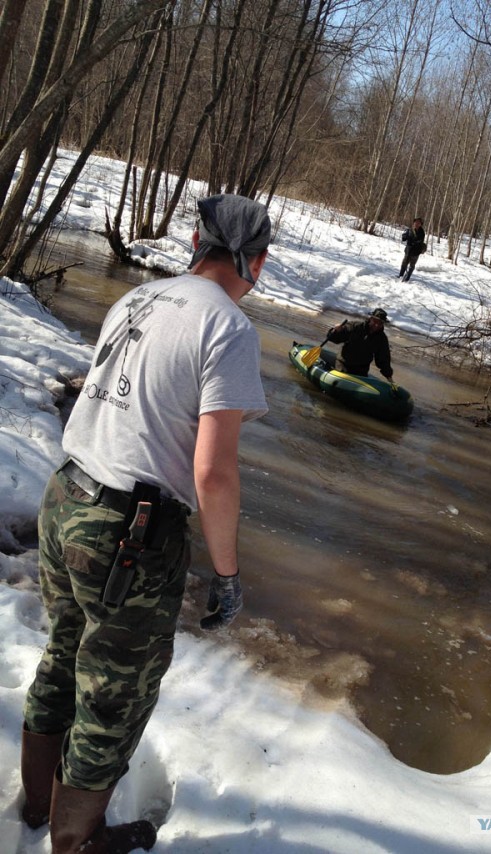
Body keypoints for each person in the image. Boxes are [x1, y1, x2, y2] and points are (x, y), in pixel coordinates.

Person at [19, 194, 271, 853]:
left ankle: (36, 804)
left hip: (65, 496)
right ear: (257, 262)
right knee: (113, 699)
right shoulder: (230, 329)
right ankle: (77, 843)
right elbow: (213, 474)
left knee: (63, 656)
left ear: (195, 242)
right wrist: (226, 573)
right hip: (126, 534)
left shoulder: (136, 300)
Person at [325, 308, 394, 379]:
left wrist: (388, 374)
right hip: (343, 365)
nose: (377, 325)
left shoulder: (382, 338)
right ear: (371, 319)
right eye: (375, 321)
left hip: (362, 370)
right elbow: (335, 338)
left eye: (380, 323)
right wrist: (336, 331)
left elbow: (383, 358)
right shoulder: (355, 327)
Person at [398, 217, 426, 281]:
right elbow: (404, 239)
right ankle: (401, 275)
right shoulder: (409, 230)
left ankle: (407, 278)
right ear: (413, 223)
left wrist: (414, 242)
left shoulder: (422, 232)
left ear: (421, 224)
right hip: (408, 250)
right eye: (416, 222)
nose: (417, 224)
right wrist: (404, 236)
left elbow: (420, 241)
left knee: (412, 265)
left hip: (416, 251)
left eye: (419, 223)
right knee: (404, 263)